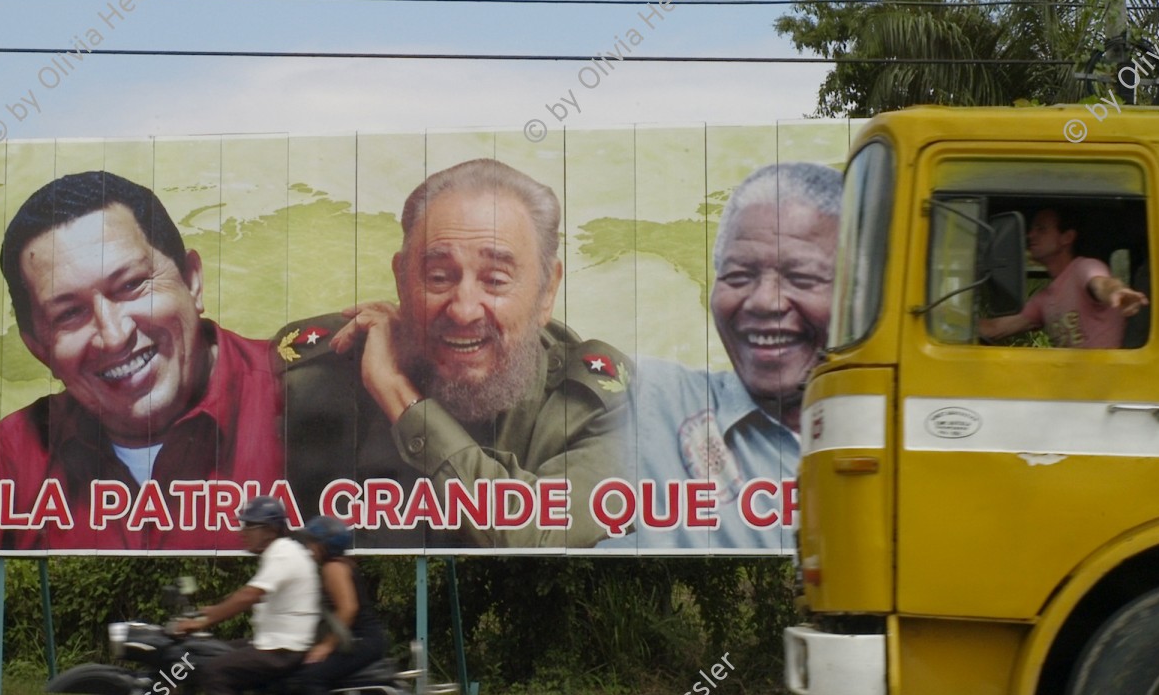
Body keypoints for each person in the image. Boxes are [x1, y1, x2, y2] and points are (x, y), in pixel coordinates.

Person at [274, 157, 632, 549]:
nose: (463, 309)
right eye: (439, 278)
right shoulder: (318, 371)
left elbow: (532, 535)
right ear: (401, 279)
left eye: (494, 280)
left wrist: (400, 397)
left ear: (547, 291)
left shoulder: (601, 405)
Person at [0, 170, 284, 551]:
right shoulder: (10, 458)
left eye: (131, 285)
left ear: (192, 280)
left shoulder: (310, 395)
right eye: (69, 313)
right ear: (38, 349)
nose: (113, 336)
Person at [632, 162, 841, 550]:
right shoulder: (651, 408)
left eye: (803, 278)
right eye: (738, 276)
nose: (764, 301)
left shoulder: (912, 430)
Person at [174, 496, 320, 695]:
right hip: (276, 641)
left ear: (270, 530)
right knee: (213, 652)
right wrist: (209, 610)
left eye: (250, 526)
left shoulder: (282, 553)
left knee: (214, 672)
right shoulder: (283, 552)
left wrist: (205, 620)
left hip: (282, 648)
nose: (243, 532)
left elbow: (249, 595)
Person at [291, 515, 391, 695]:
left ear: (325, 546)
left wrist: (326, 646)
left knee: (312, 675)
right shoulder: (344, 564)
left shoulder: (333, 567)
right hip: (365, 639)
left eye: (313, 543)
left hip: (362, 641)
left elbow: (348, 610)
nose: (309, 548)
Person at [978, 206, 1147, 348]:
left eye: (1041, 229)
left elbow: (1101, 283)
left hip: (1114, 382)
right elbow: (995, 329)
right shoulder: (1044, 300)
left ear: (1067, 237)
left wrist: (1117, 292)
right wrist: (956, 324)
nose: (1030, 235)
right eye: (1032, 230)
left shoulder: (1084, 267)